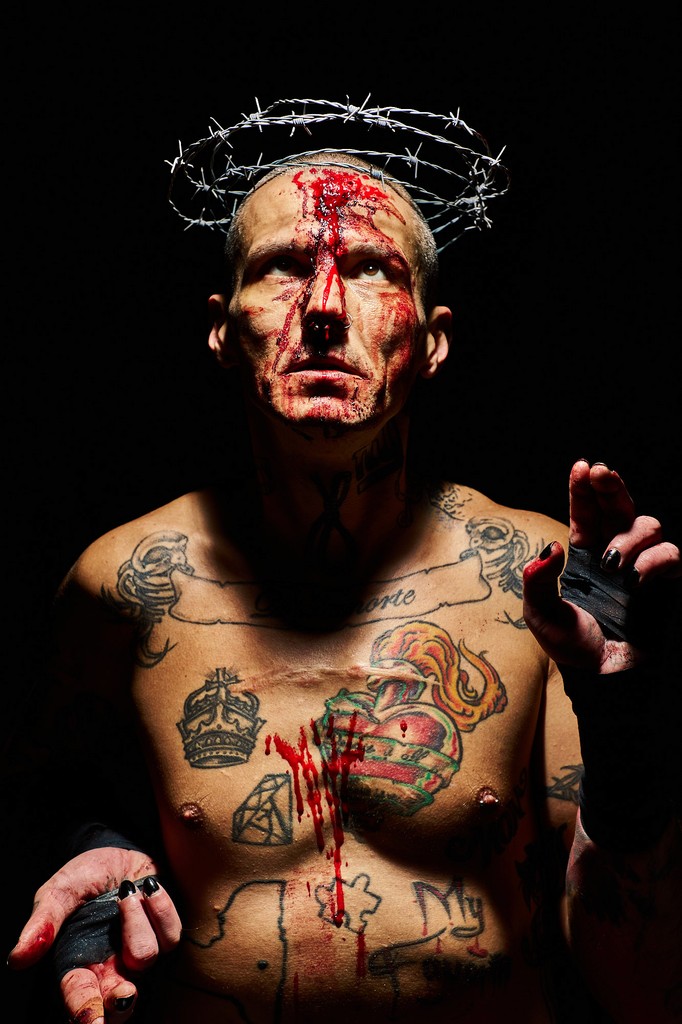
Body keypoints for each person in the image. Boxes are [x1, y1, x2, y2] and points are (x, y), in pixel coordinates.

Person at [6, 100, 682, 1024]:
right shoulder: (122, 586)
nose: (322, 308)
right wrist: (90, 856)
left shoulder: (537, 583)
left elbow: (640, 993)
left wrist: (627, 728)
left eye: (370, 270)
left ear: (432, 341)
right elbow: (55, 804)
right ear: (222, 329)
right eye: (283, 267)